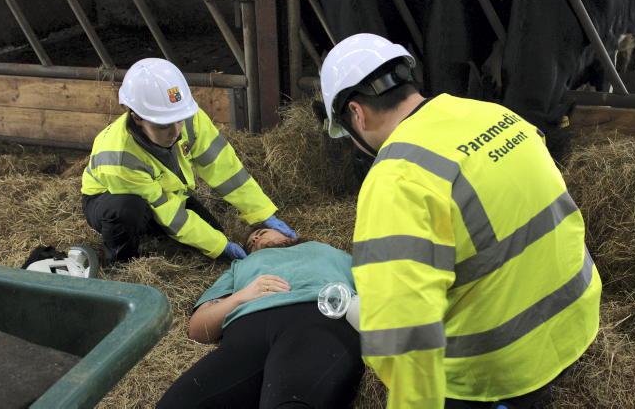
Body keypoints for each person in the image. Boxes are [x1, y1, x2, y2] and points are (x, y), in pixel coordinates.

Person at [318, 33, 602, 408]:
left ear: (356, 113)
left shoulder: (397, 178)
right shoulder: (494, 115)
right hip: (575, 319)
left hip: (499, 368)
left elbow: (405, 336)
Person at [81, 58, 295, 263]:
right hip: (109, 200)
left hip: (168, 193)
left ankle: (155, 232)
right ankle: (121, 260)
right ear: (137, 117)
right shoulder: (118, 157)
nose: (176, 132)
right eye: (163, 125)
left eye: (179, 121)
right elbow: (166, 209)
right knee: (129, 210)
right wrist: (220, 246)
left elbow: (225, 169)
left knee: (212, 234)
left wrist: (262, 212)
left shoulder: (188, 116)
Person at [157, 227, 364, 409]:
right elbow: (198, 328)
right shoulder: (240, 266)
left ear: (287, 233)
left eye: (261, 233)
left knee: (292, 402)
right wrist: (240, 297)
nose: (255, 240)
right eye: (250, 243)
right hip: (247, 330)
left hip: (316, 316)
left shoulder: (327, 250)